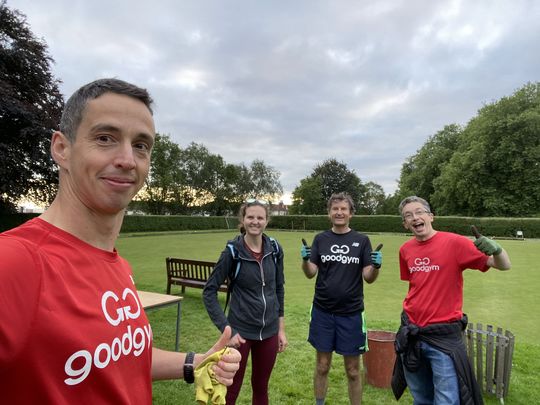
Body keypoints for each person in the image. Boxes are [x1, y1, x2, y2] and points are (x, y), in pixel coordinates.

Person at [0, 78, 240, 404]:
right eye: (105, 138)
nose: (128, 159)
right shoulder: (14, 262)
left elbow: (116, 354)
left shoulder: (116, 262)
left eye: (141, 145)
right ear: (62, 148)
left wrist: (194, 362)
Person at [391, 196, 511, 405]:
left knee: (447, 400)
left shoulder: (454, 242)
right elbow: (416, 286)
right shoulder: (405, 250)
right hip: (412, 332)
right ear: (404, 224)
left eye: (419, 212)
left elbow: (503, 265)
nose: (415, 218)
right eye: (408, 216)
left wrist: (498, 250)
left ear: (431, 216)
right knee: (420, 397)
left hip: (443, 337)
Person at [300, 192, 383, 405]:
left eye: (343, 209)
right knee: (322, 365)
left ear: (351, 213)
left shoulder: (361, 240)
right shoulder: (321, 239)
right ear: (329, 213)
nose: (339, 212)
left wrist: (376, 266)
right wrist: (304, 259)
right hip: (322, 312)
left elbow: (369, 277)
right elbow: (310, 273)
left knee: (353, 370)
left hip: (352, 314)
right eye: (335, 209)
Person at [203, 199, 287, 405]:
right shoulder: (233, 251)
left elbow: (278, 289)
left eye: (260, 217)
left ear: (266, 221)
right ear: (243, 220)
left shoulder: (275, 249)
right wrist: (227, 330)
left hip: (269, 331)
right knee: (230, 390)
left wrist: (281, 329)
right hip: (239, 334)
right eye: (250, 217)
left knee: (261, 388)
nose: (255, 222)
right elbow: (209, 291)